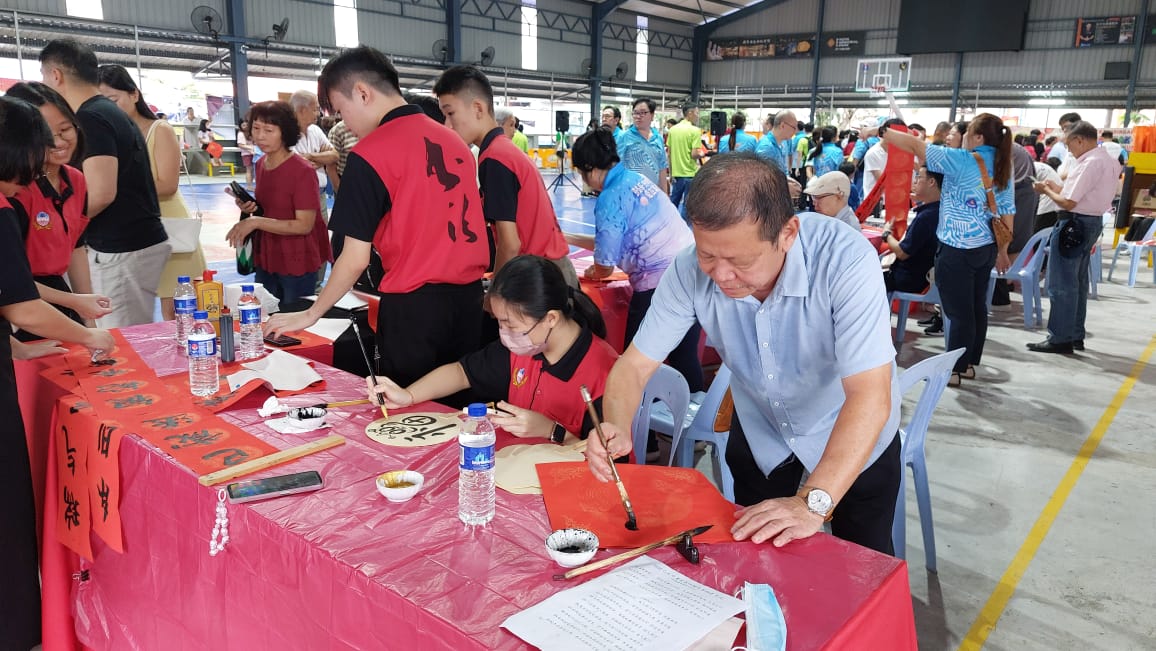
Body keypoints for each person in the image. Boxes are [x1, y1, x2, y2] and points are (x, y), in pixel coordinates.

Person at [584, 153, 901, 554]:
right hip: (763, 431)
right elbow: (633, 365)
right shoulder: (689, 269)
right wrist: (616, 424)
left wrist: (812, 502)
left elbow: (870, 395)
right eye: (707, 256)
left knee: (861, 563)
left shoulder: (844, 260)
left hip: (850, 433)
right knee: (758, 559)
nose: (720, 276)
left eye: (740, 261)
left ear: (787, 234)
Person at [267, 46, 489, 395]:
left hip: (415, 313)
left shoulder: (371, 154)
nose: (345, 123)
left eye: (342, 110)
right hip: (471, 303)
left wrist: (311, 315)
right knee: (464, 411)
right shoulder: (456, 143)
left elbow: (354, 258)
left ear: (363, 93)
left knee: (410, 416)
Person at [0, 94, 115, 651]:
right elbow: (19, 299)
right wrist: (86, 332)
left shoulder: (71, 183)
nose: (55, 143)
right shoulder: (5, 206)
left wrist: (23, 346)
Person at [368, 255, 618, 441]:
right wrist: (408, 395)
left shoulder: (605, 374)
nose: (504, 333)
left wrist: (551, 431)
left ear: (550, 318)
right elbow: (461, 373)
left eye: (510, 324)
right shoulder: (526, 348)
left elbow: (611, 463)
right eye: (499, 322)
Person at [40, 38, 170, 328]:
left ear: (55, 75)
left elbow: (100, 193)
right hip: (130, 242)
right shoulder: (104, 112)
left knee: (121, 342)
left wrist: (61, 230)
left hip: (120, 247)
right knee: (126, 335)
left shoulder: (91, 117)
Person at [567, 127, 703, 394]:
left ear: (590, 169)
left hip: (659, 283)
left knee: (633, 363)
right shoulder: (634, 178)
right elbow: (615, 239)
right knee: (685, 357)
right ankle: (696, 427)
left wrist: (594, 270)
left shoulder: (609, 198)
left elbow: (605, 264)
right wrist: (568, 237)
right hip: (691, 268)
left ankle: (643, 433)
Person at [884, 113, 1015, 385]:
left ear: (978, 137)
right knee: (976, 306)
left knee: (957, 312)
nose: (964, 137)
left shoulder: (962, 160)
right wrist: (1002, 251)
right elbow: (1008, 213)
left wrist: (885, 131)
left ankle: (953, 370)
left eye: (967, 133)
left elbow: (917, 147)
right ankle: (967, 364)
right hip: (986, 247)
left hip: (957, 248)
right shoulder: (1003, 165)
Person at [433, 65, 576, 284]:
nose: (447, 125)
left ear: (478, 108)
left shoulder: (495, 158)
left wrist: (495, 290)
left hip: (540, 276)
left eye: (450, 113)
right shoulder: (502, 150)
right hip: (550, 268)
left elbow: (510, 244)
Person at [98, 64, 206, 321]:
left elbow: (168, 184)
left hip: (168, 231)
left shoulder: (160, 130)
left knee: (178, 311)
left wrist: (115, 190)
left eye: (114, 100)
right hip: (133, 231)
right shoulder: (109, 135)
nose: (108, 109)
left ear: (134, 94)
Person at [6, 82, 111, 330]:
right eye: (45, 135)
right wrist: (75, 303)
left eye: (65, 129)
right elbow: (12, 279)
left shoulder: (75, 179)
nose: (58, 141)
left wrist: (88, 317)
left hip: (55, 293)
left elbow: (76, 246)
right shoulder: (14, 189)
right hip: (20, 302)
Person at [225, 101, 330, 310]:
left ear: (285, 132)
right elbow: (270, 207)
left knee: (294, 320)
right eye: (256, 128)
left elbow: (304, 225)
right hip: (268, 256)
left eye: (269, 130)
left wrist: (255, 222)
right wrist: (249, 208)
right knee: (267, 315)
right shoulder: (261, 164)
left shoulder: (302, 170)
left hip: (296, 258)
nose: (260, 136)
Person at [1029, 121, 1119, 354]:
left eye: (1070, 145)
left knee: (1061, 283)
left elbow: (1069, 202)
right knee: (1077, 282)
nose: (1069, 151)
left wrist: (1046, 191)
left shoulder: (1089, 163)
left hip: (1075, 223)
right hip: (1090, 222)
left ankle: (1060, 338)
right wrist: (1056, 188)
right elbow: (1080, 194)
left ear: (1080, 140)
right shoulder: (1108, 161)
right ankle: (1074, 334)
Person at [881, 166, 942, 293]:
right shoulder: (941, 209)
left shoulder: (926, 217)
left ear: (931, 182)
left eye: (919, 177)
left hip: (909, 279)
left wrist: (887, 234)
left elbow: (902, 253)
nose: (915, 181)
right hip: (925, 275)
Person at [288, 90, 338, 224]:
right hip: (298, 199)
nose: (318, 114)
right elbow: (297, 167)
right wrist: (322, 159)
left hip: (320, 195)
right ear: (302, 110)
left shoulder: (315, 130)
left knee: (321, 240)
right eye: (315, 109)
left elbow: (334, 155)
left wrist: (310, 156)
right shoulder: (286, 134)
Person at [615, 97, 669, 193]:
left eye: (643, 113)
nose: (638, 116)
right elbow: (617, 166)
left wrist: (665, 194)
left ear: (652, 115)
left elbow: (662, 168)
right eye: (635, 113)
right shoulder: (625, 137)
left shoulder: (658, 138)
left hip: (653, 193)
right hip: (630, 193)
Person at [667, 103, 704, 213]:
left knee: (673, 204)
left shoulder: (672, 130)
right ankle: (685, 228)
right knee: (688, 207)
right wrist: (701, 153)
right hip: (690, 174)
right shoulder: (695, 131)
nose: (698, 116)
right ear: (690, 113)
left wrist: (671, 173)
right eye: (697, 113)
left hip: (676, 175)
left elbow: (669, 153)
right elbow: (694, 154)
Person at [326, 118, 359, 192]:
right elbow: (330, 167)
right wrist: (340, 191)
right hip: (347, 183)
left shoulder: (373, 125)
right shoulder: (338, 130)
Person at [1032, 157, 1063, 232]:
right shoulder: (1033, 166)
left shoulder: (1025, 168)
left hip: (1048, 203)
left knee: (1038, 230)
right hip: (1054, 201)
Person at [237, 118, 255, 185]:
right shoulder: (241, 134)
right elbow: (241, 145)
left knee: (252, 170)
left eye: (246, 125)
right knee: (249, 170)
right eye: (243, 125)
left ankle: (250, 184)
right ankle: (249, 185)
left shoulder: (250, 133)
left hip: (253, 153)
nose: (245, 126)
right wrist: (251, 149)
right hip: (246, 154)